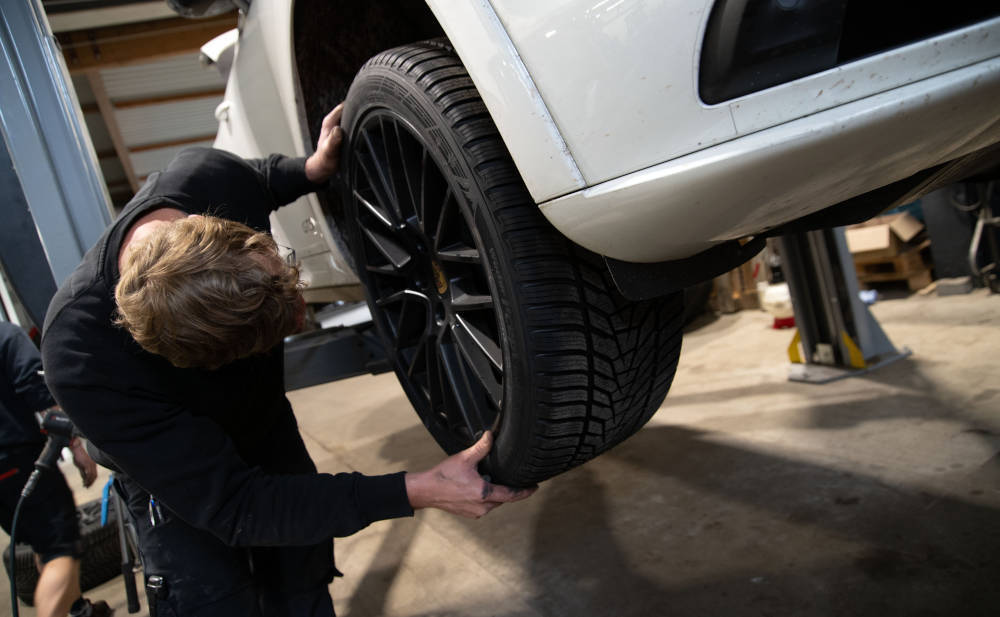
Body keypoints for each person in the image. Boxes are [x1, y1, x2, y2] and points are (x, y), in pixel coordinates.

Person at [40, 104, 535, 617]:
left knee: (301, 574)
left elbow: (259, 179)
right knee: (213, 599)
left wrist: (311, 169)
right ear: (202, 360)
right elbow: (237, 507)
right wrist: (416, 490)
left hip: (261, 421)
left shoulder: (208, 177)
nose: (300, 321)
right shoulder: (81, 356)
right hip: (170, 472)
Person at [0, 321, 111, 617]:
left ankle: (76, 610)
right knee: (61, 549)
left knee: (44, 542)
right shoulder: (4, 335)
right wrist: (76, 447)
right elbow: (38, 389)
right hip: (15, 460)